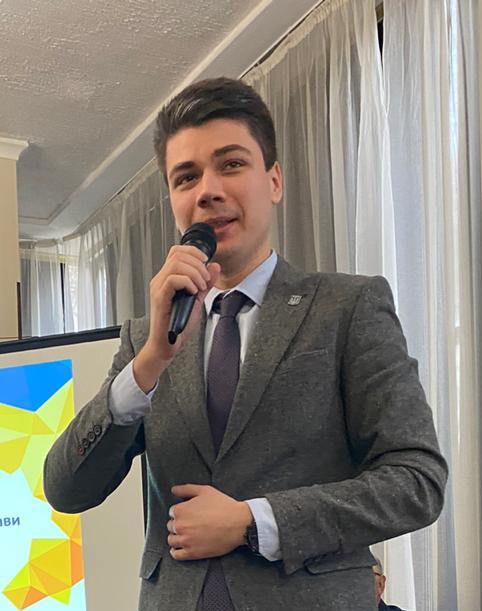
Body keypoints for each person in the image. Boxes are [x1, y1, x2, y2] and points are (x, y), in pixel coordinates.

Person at [43, 77, 448, 610]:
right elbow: (66, 489)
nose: (207, 190)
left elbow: (416, 481)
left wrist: (253, 521)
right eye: (186, 177)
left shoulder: (347, 306)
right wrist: (150, 361)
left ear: (273, 181)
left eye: (231, 164)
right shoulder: (146, 337)